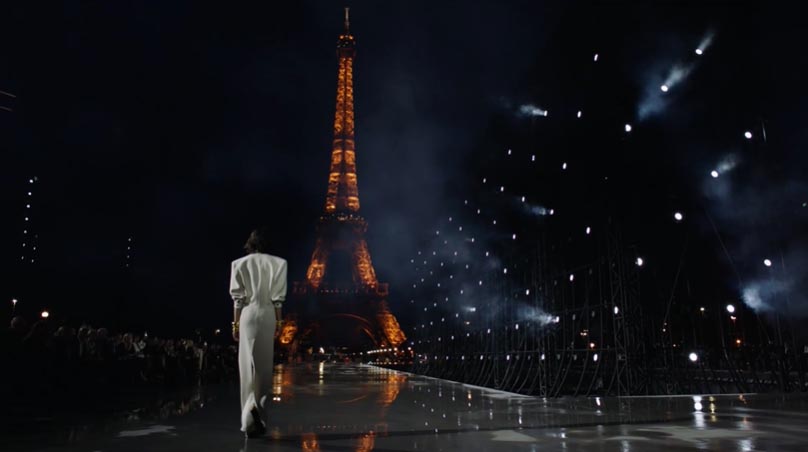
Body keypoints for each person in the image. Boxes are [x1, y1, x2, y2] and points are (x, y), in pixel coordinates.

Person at [229, 228, 287, 438]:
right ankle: (260, 415)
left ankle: (247, 420)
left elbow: (238, 300)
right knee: (264, 370)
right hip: (268, 314)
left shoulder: (238, 264)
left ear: (250, 245)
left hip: (247, 314)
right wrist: (279, 322)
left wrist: (235, 325)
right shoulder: (280, 263)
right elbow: (277, 299)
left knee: (246, 368)